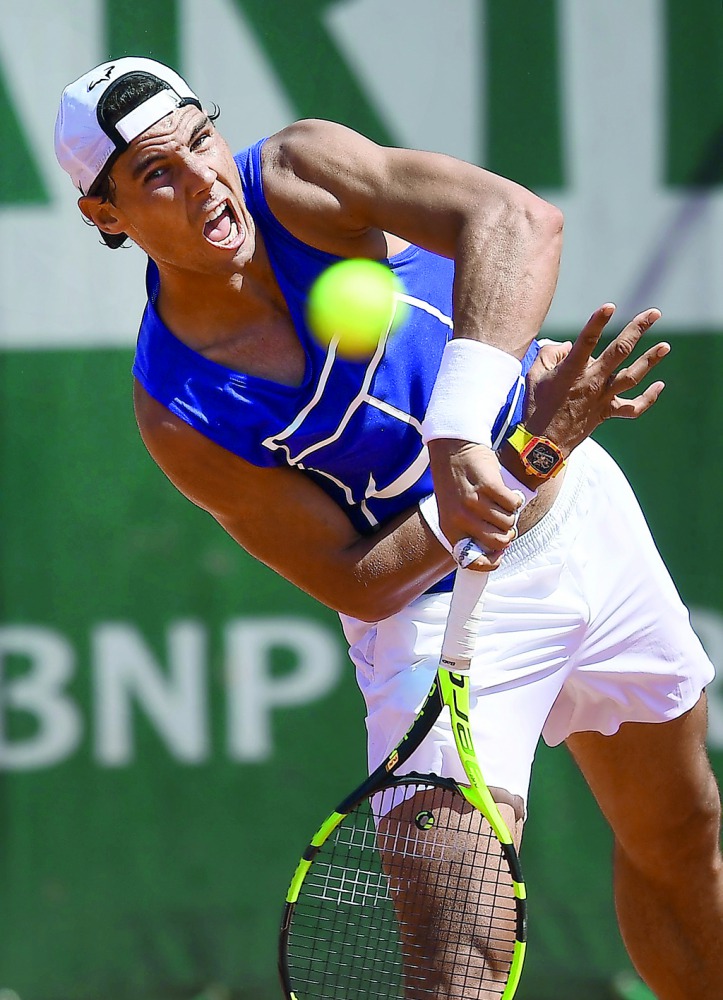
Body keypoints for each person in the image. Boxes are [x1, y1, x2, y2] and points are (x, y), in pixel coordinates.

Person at [55, 58, 722, 999]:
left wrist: (465, 432)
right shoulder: (180, 407)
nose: (206, 177)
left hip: (581, 525)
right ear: (106, 216)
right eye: (158, 172)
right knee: (458, 957)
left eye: (202, 138)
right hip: (432, 620)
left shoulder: (296, 173)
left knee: (679, 836)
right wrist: (521, 447)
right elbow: (357, 579)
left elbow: (518, 220)